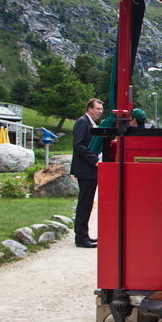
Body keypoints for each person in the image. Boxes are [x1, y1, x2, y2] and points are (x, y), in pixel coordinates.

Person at [70, 98, 103, 248]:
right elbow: (78, 145)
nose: (100, 112)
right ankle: (81, 238)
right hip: (85, 170)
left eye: (101, 109)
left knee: (87, 203)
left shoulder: (90, 122)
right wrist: (94, 160)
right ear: (89, 108)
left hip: (88, 169)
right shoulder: (83, 122)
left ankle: (84, 235)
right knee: (84, 203)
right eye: (97, 109)